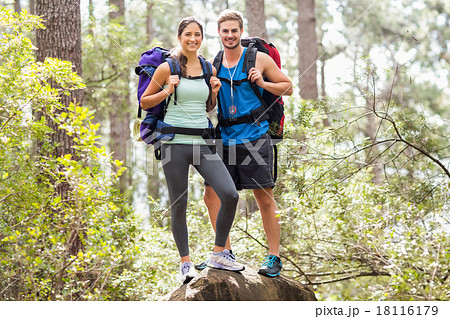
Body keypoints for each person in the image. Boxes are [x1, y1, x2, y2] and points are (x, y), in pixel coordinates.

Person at [140, 16, 244, 284]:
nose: (193, 39)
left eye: (197, 34)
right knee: (179, 204)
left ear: (201, 37)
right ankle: (185, 264)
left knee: (230, 194)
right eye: (188, 34)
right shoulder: (167, 67)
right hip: (174, 143)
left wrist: (214, 92)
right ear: (180, 37)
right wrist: (167, 90)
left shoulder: (208, 67)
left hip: (202, 142)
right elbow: (144, 100)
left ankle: (219, 253)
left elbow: (207, 108)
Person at [198, 10, 293, 277]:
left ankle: (274, 257)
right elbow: (211, 107)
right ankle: (222, 252)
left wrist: (262, 82)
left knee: (263, 197)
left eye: (234, 30)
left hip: (255, 135)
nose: (230, 35)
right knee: (211, 195)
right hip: (224, 138)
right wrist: (213, 93)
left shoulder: (258, 58)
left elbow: (288, 87)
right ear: (219, 33)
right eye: (225, 31)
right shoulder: (214, 64)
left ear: (241, 31)